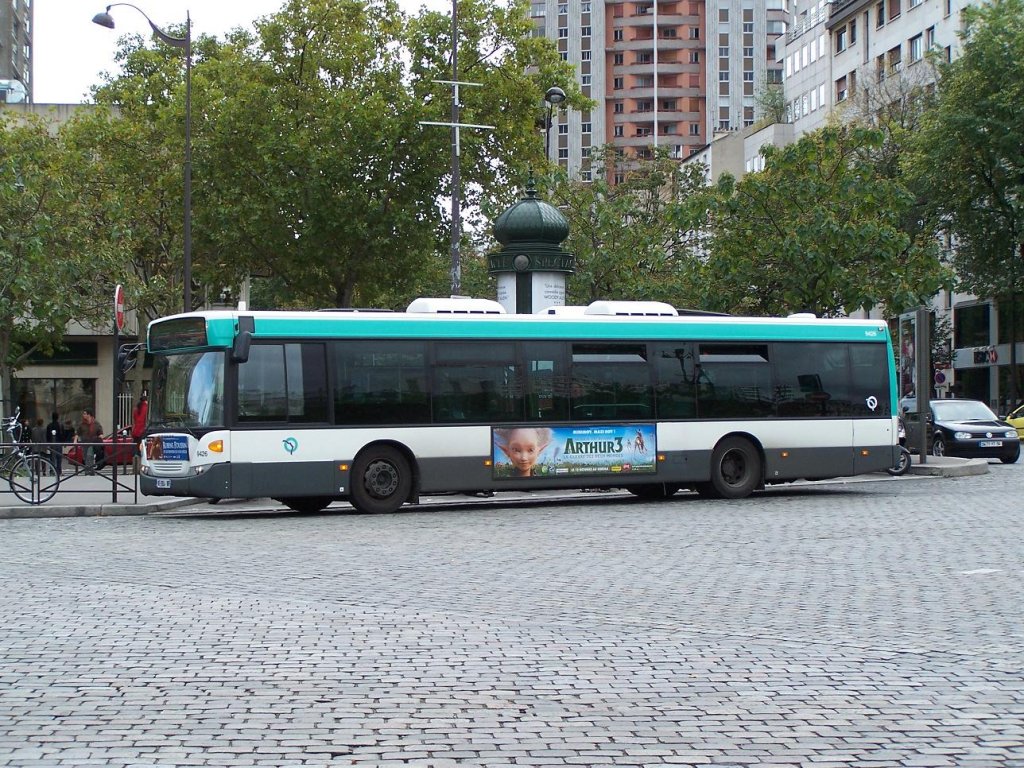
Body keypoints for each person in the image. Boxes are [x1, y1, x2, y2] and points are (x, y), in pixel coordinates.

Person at [76, 408, 103, 475]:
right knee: (85, 457)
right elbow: (77, 433)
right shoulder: (82, 424)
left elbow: (100, 432)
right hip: (84, 443)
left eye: (85, 414)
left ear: (89, 415)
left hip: (92, 442)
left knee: (89, 455)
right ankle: (90, 471)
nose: (83, 415)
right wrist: (75, 441)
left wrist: (100, 437)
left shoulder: (96, 423)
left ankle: (89, 471)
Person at [131, 394, 148, 474]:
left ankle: (135, 469)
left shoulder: (136, 409)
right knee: (143, 450)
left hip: (136, 432)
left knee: (136, 451)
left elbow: (135, 420)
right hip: (142, 432)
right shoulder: (146, 408)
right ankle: (142, 468)